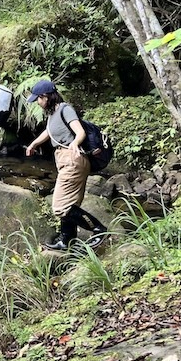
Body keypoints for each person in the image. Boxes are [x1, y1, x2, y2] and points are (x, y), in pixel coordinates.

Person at [25, 79, 107, 251]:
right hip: (67, 160)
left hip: (72, 159)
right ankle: (66, 240)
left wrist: (75, 144)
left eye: (38, 99)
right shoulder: (53, 114)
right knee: (70, 205)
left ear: (45, 97)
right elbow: (49, 132)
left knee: (60, 206)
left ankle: (99, 230)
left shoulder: (65, 109)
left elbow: (80, 132)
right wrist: (34, 144)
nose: (37, 103)